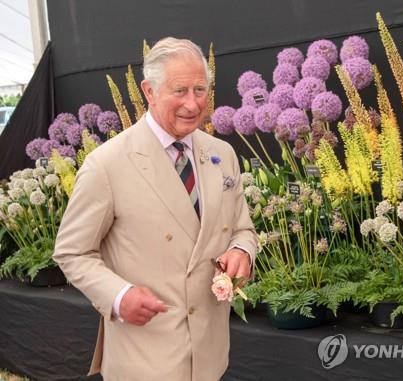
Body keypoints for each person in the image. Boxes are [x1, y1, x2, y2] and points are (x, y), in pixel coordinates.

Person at [53, 37, 257, 381]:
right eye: (180, 91)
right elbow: (72, 252)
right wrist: (119, 296)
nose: (193, 104)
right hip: (144, 358)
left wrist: (242, 252)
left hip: (209, 355)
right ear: (149, 91)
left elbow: (242, 229)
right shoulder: (107, 164)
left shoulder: (223, 154)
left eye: (200, 90)